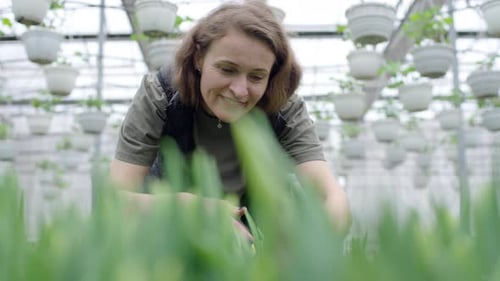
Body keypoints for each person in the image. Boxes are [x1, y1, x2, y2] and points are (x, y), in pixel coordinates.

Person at [110, 0, 351, 235]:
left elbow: (333, 198)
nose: (239, 90)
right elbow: (115, 201)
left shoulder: (284, 109)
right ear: (199, 58)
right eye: (227, 69)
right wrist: (197, 209)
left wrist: (308, 249)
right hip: (165, 233)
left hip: (248, 237)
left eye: (256, 77)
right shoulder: (161, 95)